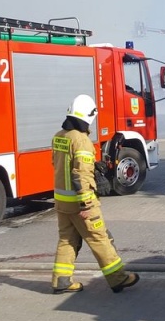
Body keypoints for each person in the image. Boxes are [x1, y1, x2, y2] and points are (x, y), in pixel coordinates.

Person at [51, 94, 139, 294]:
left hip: (62, 202)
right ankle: (118, 279)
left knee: (67, 239)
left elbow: (57, 165)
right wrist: (86, 204)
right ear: (87, 116)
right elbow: (80, 173)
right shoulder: (81, 140)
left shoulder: (59, 136)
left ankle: (61, 281)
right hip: (81, 202)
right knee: (99, 238)